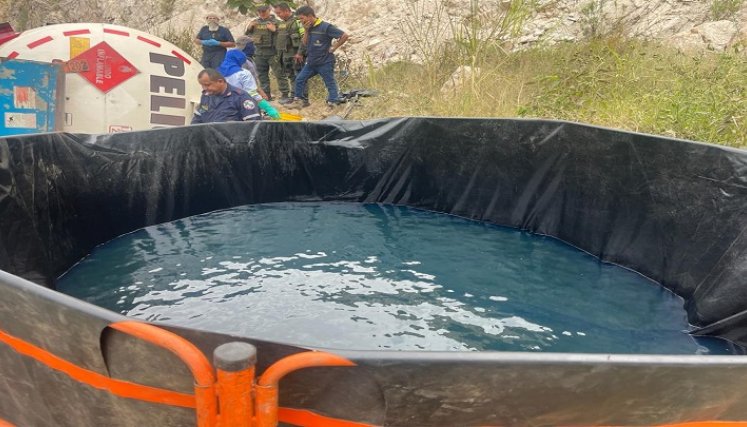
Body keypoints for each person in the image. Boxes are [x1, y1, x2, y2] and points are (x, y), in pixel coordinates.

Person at [292, 6, 350, 108]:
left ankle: (333, 103)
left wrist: (334, 47)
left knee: (329, 82)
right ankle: (298, 101)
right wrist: (306, 30)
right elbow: (304, 43)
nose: (300, 21)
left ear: (309, 16)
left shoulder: (326, 27)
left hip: (325, 61)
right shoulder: (307, 27)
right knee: (300, 79)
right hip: (311, 62)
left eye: (302, 18)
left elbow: (344, 36)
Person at [217, 50, 280, 119]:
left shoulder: (216, 73)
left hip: (221, 109)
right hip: (241, 108)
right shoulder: (243, 73)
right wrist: (268, 108)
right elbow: (252, 94)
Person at [191, 69, 261, 124]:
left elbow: (254, 125)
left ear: (220, 81)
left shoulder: (241, 97)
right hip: (210, 140)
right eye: (202, 85)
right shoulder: (206, 97)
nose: (204, 88)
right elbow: (198, 118)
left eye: (207, 85)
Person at [244, 5, 283, 100]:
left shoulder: (277, 22)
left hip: (273, 53)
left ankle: (285, 95)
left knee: (279, 74)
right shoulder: (254, 22)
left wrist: (275, 30)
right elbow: (246, 37)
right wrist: (249, 28)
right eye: (260, 12)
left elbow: (283, 36)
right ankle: (267, 95)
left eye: (264, 11)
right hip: (259, 53)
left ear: (269, 11)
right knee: (262, 75)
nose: (262, 14)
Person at [273, 2, 306, 104]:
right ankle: (294, 96)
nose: (278, 15)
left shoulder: (297, 21)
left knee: (300, 76)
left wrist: (300, 53)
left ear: (287, 10)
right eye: (276, 13)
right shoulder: (282, 23)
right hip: (285, 55)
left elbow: (304, 38)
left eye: (279, 13)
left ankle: (303, 99)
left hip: (296, 54)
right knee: (291, 76)